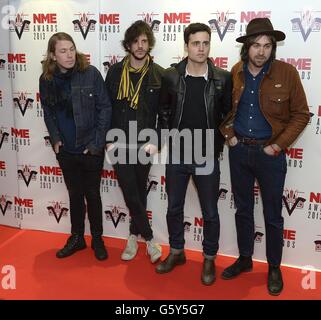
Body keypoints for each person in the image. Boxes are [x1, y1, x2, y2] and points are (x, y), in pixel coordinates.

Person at [220, 18, 309, 295]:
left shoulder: (287, 73)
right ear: (247, 47)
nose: (261, 51)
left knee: (272, 214)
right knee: (243, 209)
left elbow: (302, 114)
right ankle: (245, 259)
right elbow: (221, 109)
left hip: (270, 154)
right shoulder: (235, 72)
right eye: (256, 45)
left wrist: (278, 145)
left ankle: (273, 267)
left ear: (273, 48)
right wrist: (229, 135)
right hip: (239, 152)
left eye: (267, 46)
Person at [156, 23, 232, 285]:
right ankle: (176, 251)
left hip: (207, 155)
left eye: (205, 43)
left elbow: (226, 115)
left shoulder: (222, 78)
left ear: (210, 45)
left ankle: (209, 257)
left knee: (210, 211)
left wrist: (219, 141)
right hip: (177, 154)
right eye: (195, 43)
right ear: (186, 46)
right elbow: (163, 111)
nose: (201, 48)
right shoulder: (171, 76)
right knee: (173, 207)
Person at [39, 32, 111, 261]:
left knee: (93, 194)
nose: (69, 55)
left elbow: (105, 108)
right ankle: (77, 237)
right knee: (74, 195)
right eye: (63, 51)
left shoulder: (90, 73)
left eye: (71, 49)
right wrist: (56, 140)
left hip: (90, 149)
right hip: (66, 151)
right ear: (52, 55)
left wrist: (96, 144)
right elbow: (48, 111)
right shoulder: (46, 79)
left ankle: (97, 239)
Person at [105, 20, 164, 263]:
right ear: (128, 44)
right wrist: (109, 139)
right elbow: (105, 107)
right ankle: (149, 239)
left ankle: (132, 235)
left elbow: (166, 113)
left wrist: (157, 140)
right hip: (119, 142)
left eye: (144, 41)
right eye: (135, 41)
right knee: (130, 191)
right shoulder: (116, 72)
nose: (140, 46)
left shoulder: (159, 74)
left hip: (144, 143)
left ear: (149, 44)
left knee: (138, 191)